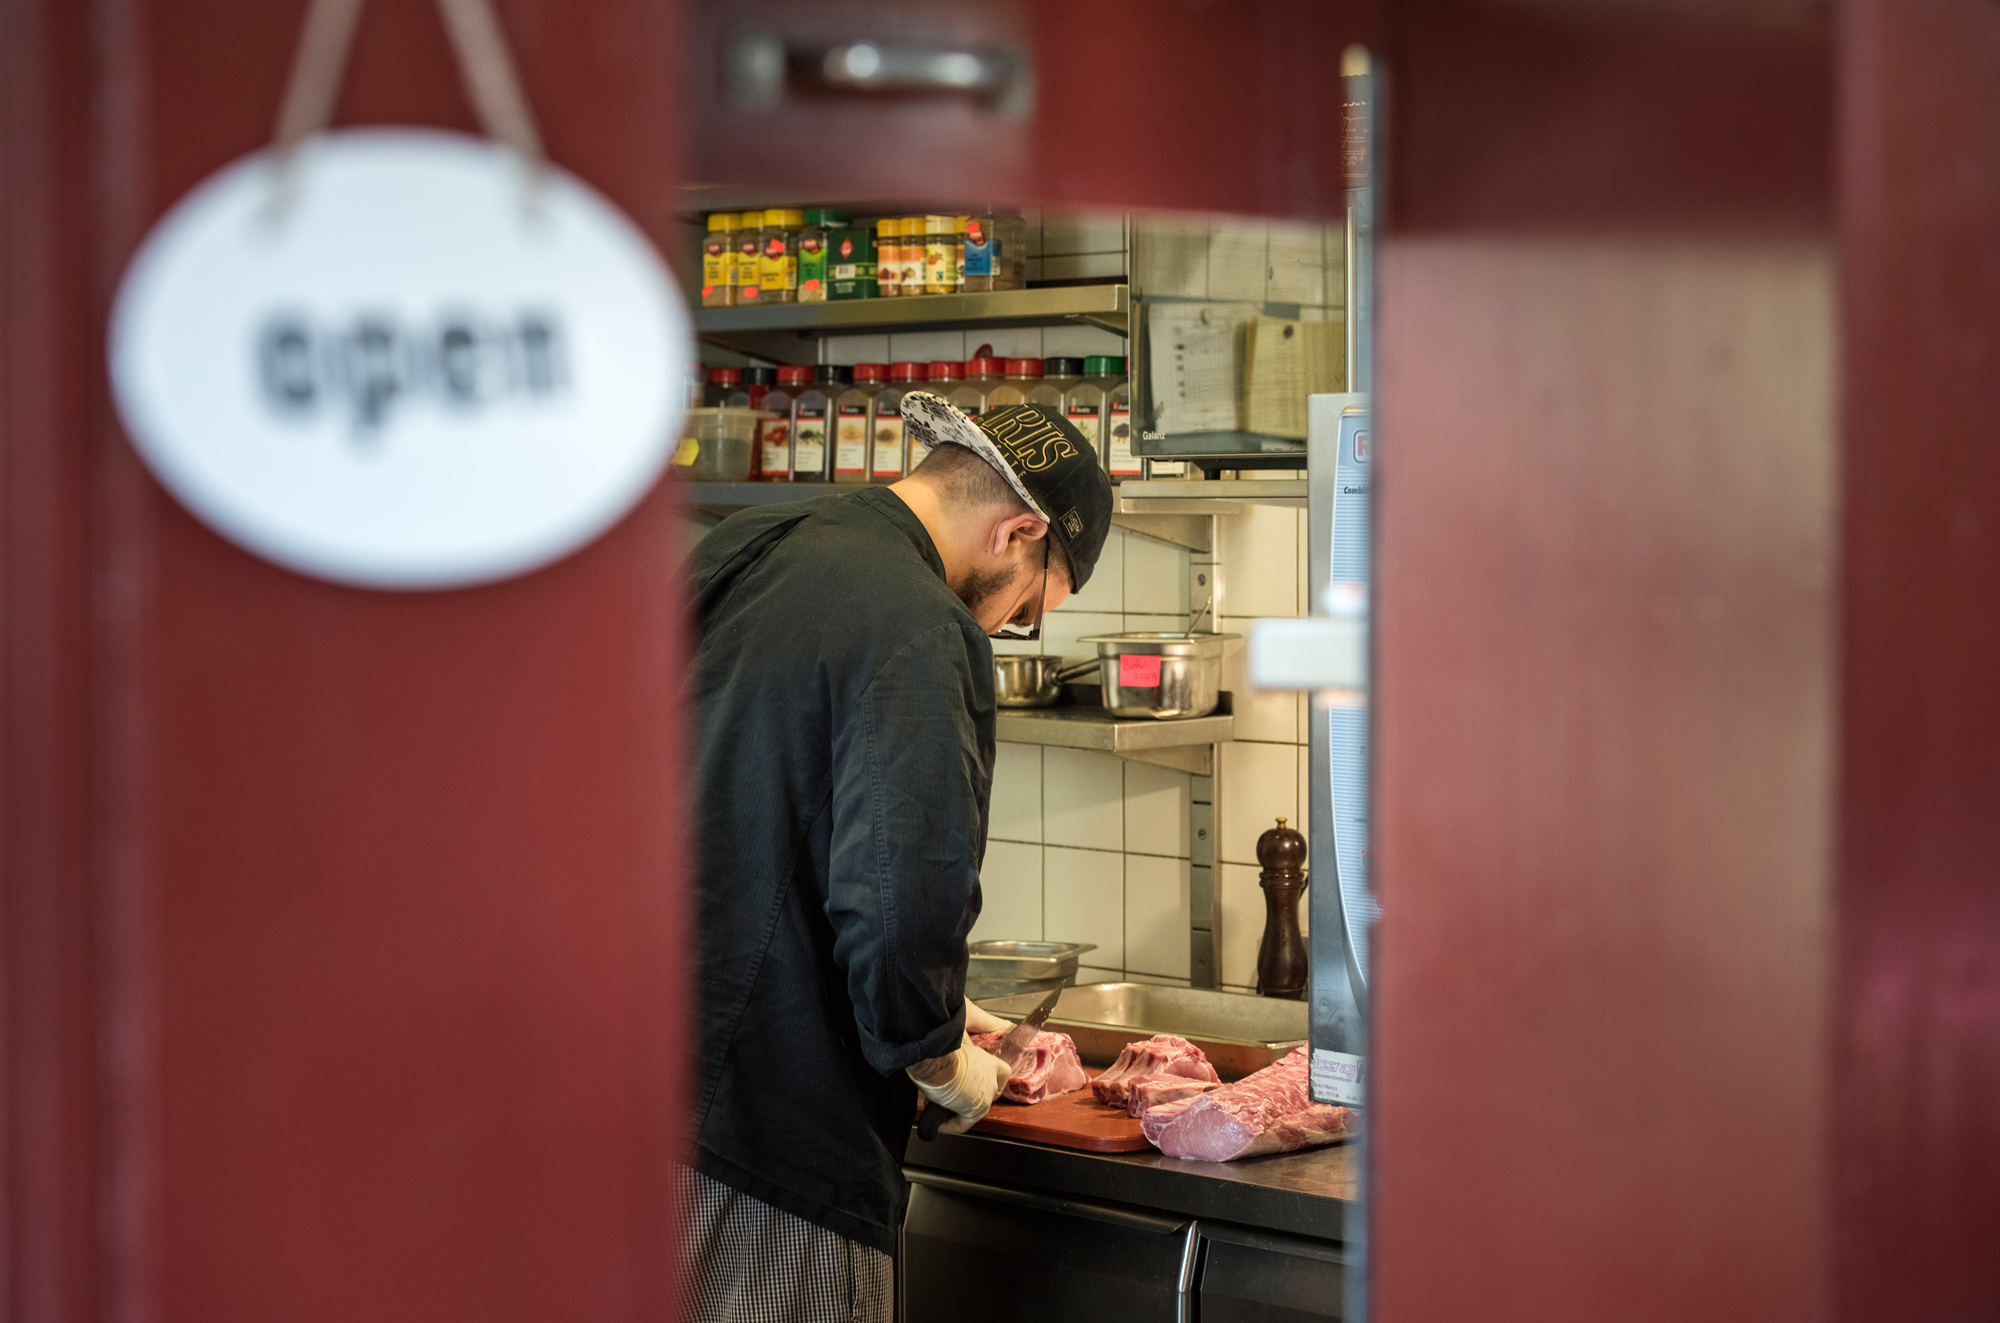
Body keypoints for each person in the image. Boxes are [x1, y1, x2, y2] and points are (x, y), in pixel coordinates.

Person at [676, 395, 1115, 1323]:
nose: (1006, 627)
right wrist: (937, 1054)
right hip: (774, 1149)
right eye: (1031, 607)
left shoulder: (744, 544)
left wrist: (940, 1001)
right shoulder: (921, 622)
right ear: (1019, 532)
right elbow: (900, 898)